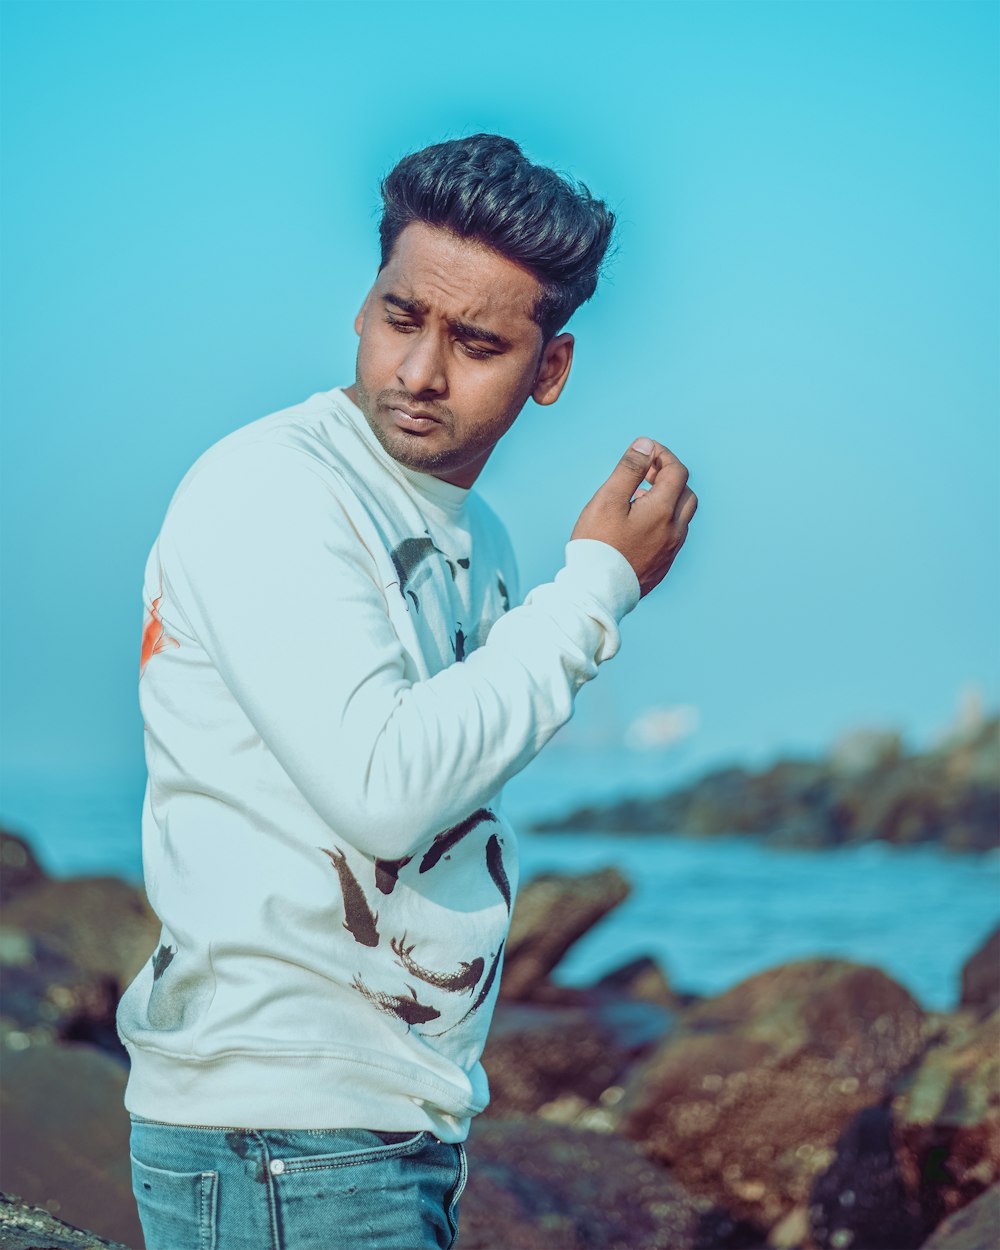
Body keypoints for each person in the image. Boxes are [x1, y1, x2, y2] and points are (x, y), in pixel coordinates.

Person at [118, 132, 697, 1250]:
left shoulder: (474, 537)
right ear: (363, 304)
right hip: (279, 1131)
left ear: (550, 369)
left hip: (382, 1124)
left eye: (476, 341)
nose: (420, 371)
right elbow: (382, 786)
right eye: (400, 317)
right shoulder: (273, 487)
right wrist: (597, 590)